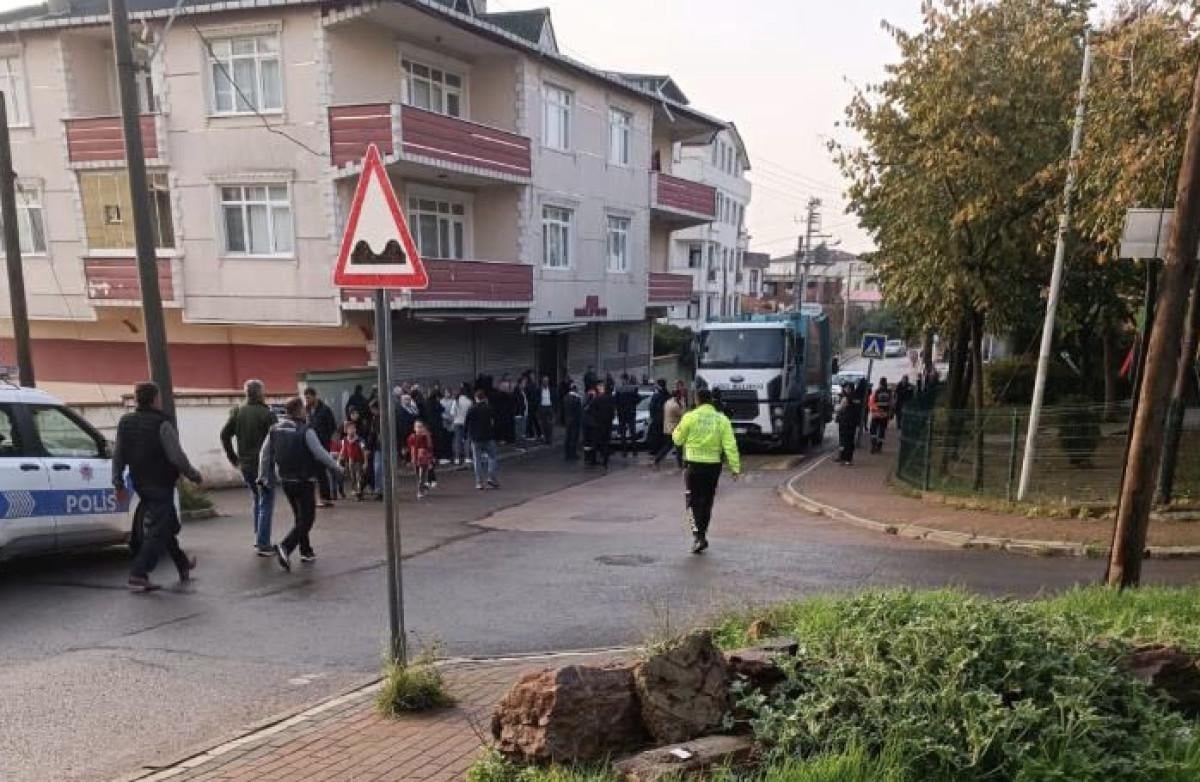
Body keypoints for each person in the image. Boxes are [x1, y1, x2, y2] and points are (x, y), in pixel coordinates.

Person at [113, 381, 203, 591]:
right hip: (161, 482)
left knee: (166, 525)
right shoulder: (162, 423)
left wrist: (117, 482)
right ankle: (139, 572)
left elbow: (118, 454)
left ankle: (183, 564)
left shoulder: (125, 422)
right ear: (155, 399)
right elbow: (176, 456)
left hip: (140, 481)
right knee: (157, 529)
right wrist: (194, 475)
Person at [259, 397, 344, 571]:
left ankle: (306, 551)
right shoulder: (305, 430)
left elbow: (264, 454)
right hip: (304, 480)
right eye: (304, 409)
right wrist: (336, 467)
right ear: (299, 411)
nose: (306, 412)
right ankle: (285, 546)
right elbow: (320, 453)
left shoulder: (274, 430)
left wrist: (263, 476)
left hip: (286, 481)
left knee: (300, 517)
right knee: (307, 519)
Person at [672, 388, 742, 554]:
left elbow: (677, 439)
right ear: (710, 400)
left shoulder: (690, 417)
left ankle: (697, 536)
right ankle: (703, 533)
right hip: (713, 466)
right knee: (707, 501)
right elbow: (730, 444)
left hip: (693, 465)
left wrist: (678, 430)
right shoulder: (721, 419)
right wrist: (735, 467)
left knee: (691, 501)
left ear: (697, 400)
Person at [219, 378, 277, 556]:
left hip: (245, 464)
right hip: (263, 465)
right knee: (266, 502)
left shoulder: (237, 411)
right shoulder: (267, 414)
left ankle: (259, 537)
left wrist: (233, 458)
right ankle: (263, 543)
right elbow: (277, 440)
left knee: (257, 499)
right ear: (260, 393)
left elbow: (224, 435)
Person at [303, 387, 338, 507]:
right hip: (310, 444)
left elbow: (332, 427)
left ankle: (325, 497)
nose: (307, 400)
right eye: (306, 398)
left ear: (315, 396)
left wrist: (327, 440)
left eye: (308, 398)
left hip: (322, 444)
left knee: (321, 471)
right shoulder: (307, 410)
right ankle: (322, 496)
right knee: (316, 472)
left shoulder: (325, 410)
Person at [465, 388, 500, 490]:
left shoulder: (472, 409)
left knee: (477, 461)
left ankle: (479, 482)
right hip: (488, 437)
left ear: (476, 398)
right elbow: (495, 421)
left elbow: (467, 423)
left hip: (475, 438)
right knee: (492, 457)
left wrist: (466, 435)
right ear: (484, 398)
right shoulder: (489, 408)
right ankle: (491, 477)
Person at [654, 387, 686, 469]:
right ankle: (680, 465)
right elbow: (683, 414)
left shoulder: (668, 402)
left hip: (668, 428)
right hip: (673, 428)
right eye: (680, 395)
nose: (681, 396)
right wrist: (683, 403)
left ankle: (657, 459)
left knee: (669, 446)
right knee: (678, 446)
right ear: (677, 395)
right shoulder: (675, 405)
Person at [586, 382, 615, 471]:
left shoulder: (598, 398)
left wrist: (596, 417)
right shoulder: (610, 399)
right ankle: (605, 460)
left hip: (598, 424)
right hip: (607, 424)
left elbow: (589, 409)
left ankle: (593, 459)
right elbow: (613, 411)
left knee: (596, 442)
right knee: (606, 442)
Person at [337, 418, 368, 500]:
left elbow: (364, 451)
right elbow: (343, 450)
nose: (351, 430)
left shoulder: (360, 440)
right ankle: (356, 490)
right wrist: (339, 461)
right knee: (352, 476)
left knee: (359, 476)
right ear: (346, 431)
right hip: (350, 461)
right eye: (349, 429)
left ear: (355, 429)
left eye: (353, 428)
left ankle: (359, 492)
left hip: (359, 461)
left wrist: (365, 462)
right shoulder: (345, 440)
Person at [408, 420, 436, 498]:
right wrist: (409, 459)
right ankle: (423, 487)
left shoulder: (426, 437)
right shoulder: (412, 437)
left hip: (424, 459)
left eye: (421, 427)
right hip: (415, 459)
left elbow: (430, 448)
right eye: (417, 427)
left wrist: (430, 460)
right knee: (417, 475)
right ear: (414, 428)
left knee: (422, 475)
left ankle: (420, 491)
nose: (419, 429)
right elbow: (410, 448)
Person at [834, 382, 861, 465]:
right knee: (848, 440)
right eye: (845, 388)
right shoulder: (856, 397)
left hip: (845, 421)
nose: (846, 389)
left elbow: (838, 408)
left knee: (844, 440)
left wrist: (837, 407)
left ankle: (844, 458)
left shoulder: (845, 398)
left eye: (847, 388)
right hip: (851, 422)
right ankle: (846, 458)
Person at [615, 375, 641, 457]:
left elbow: (616, 400)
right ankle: (632, 451)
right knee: (630, 433)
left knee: (626, 433)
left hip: (623, 413)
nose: (623, 381)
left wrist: (620, 407)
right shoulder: (632, 389)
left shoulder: (619, 389)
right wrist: (632, 404)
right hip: (629, 413)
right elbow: (638, 398)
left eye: (623, 380)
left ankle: (626, 452)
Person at [868, 378, 894, 454]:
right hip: (884, 415)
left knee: (873, 430)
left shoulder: (876, 391)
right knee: (882, 431)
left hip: (876, 414)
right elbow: (891, 403)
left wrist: (875, 409)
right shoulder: (889, 392)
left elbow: (871, 402)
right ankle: (879, 447)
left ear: (880, 383)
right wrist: (890, 413)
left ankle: (873, 446)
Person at [452, 383, 473, 466]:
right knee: (467, 440)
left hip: (457, 422)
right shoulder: (469, 401)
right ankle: (467, 457)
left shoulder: (456, 400)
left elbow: (452, 412)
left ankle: (457, 458)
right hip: (466, 422)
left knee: (457, 440)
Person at [647, 379, 670, 454]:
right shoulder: (667, 394)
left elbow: (652, 406)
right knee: (663, 435)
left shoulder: (656, 395)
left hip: (657, 418)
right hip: (665, 418)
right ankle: (662, 450)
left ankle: (655, 450)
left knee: (655, 435)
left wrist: (652, 416)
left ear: (659, 385)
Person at [562, 382, 583, 460]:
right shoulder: (577, 398)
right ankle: (573, 453)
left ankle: (567, 453)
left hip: (568, 419)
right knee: (574, 437)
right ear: (575, 389)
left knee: (568, 437)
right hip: (575, 420)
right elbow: (579, 411)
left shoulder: (565, 397)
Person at [396, 393, 419, 463]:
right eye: (406, 399)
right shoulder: (401, 410)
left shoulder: (412, 408)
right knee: (406, 447)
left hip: (413, 430)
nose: (408, 401)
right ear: (402, 400)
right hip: (405, 431)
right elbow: (401, 422)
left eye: (409, 399)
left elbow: (416, 415)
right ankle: (406, 459)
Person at [537, 375, 557, 445]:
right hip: (542, 408)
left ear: (548, 382)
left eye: (547, 381)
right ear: (542, 382)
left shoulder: (551, 389)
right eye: (544, 381)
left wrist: (554, 408)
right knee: (544, 424)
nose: (545, 382)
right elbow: (537, 399)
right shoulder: (539, 390)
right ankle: (546, 438)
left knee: (550, 424)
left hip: (549, 407)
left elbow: (555, 398)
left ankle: (549, 439)